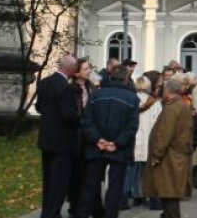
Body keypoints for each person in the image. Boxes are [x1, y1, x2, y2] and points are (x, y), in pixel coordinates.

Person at [77, 66, 139, 218]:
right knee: (115, 187)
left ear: (110, 77)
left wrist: (97, 139)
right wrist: (116, 143)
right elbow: (132, 126)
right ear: (125, 80)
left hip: (96, 146)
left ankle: (82, 214)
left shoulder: (96, 95)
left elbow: (86, 121)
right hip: (118, 148)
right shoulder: (132, 99)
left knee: (90, 186)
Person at [36, 55, 80, 218]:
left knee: (48, 180)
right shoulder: (65, 88)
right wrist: (81, 118)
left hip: (46, 140)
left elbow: (39, 107)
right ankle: (52, 213)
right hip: (62, 142)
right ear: (70, 69)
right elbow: (68, 115)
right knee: (59, 181)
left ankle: (47, 211)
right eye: (75, 68)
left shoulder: (45, 83)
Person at [144, 73, 193, 218]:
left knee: (168, 193)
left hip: (170, 158)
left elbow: (165, 133)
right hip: (175, 156)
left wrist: (156, 155)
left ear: (168, 91)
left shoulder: (172, 108)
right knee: (170, 194)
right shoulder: (181, 105)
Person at [67, 58, 102, 218]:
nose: (89, 71)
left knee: (92, 176)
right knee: (77, 176)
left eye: (89, 68)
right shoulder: (71, 90)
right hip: (77, 138)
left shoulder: (92, 89)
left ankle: (95, 209)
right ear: (76, 72)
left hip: (91, 138)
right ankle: (76, 208)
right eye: (86, 69)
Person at [126, 76, 161, 208]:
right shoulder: (155, 103)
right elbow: (159, 123)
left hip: (134, 141)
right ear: (148, 86)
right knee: (149, 172)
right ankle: (150, 197)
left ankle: (136, 195)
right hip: (149, 142)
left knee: (134, 171)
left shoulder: (130, 100)